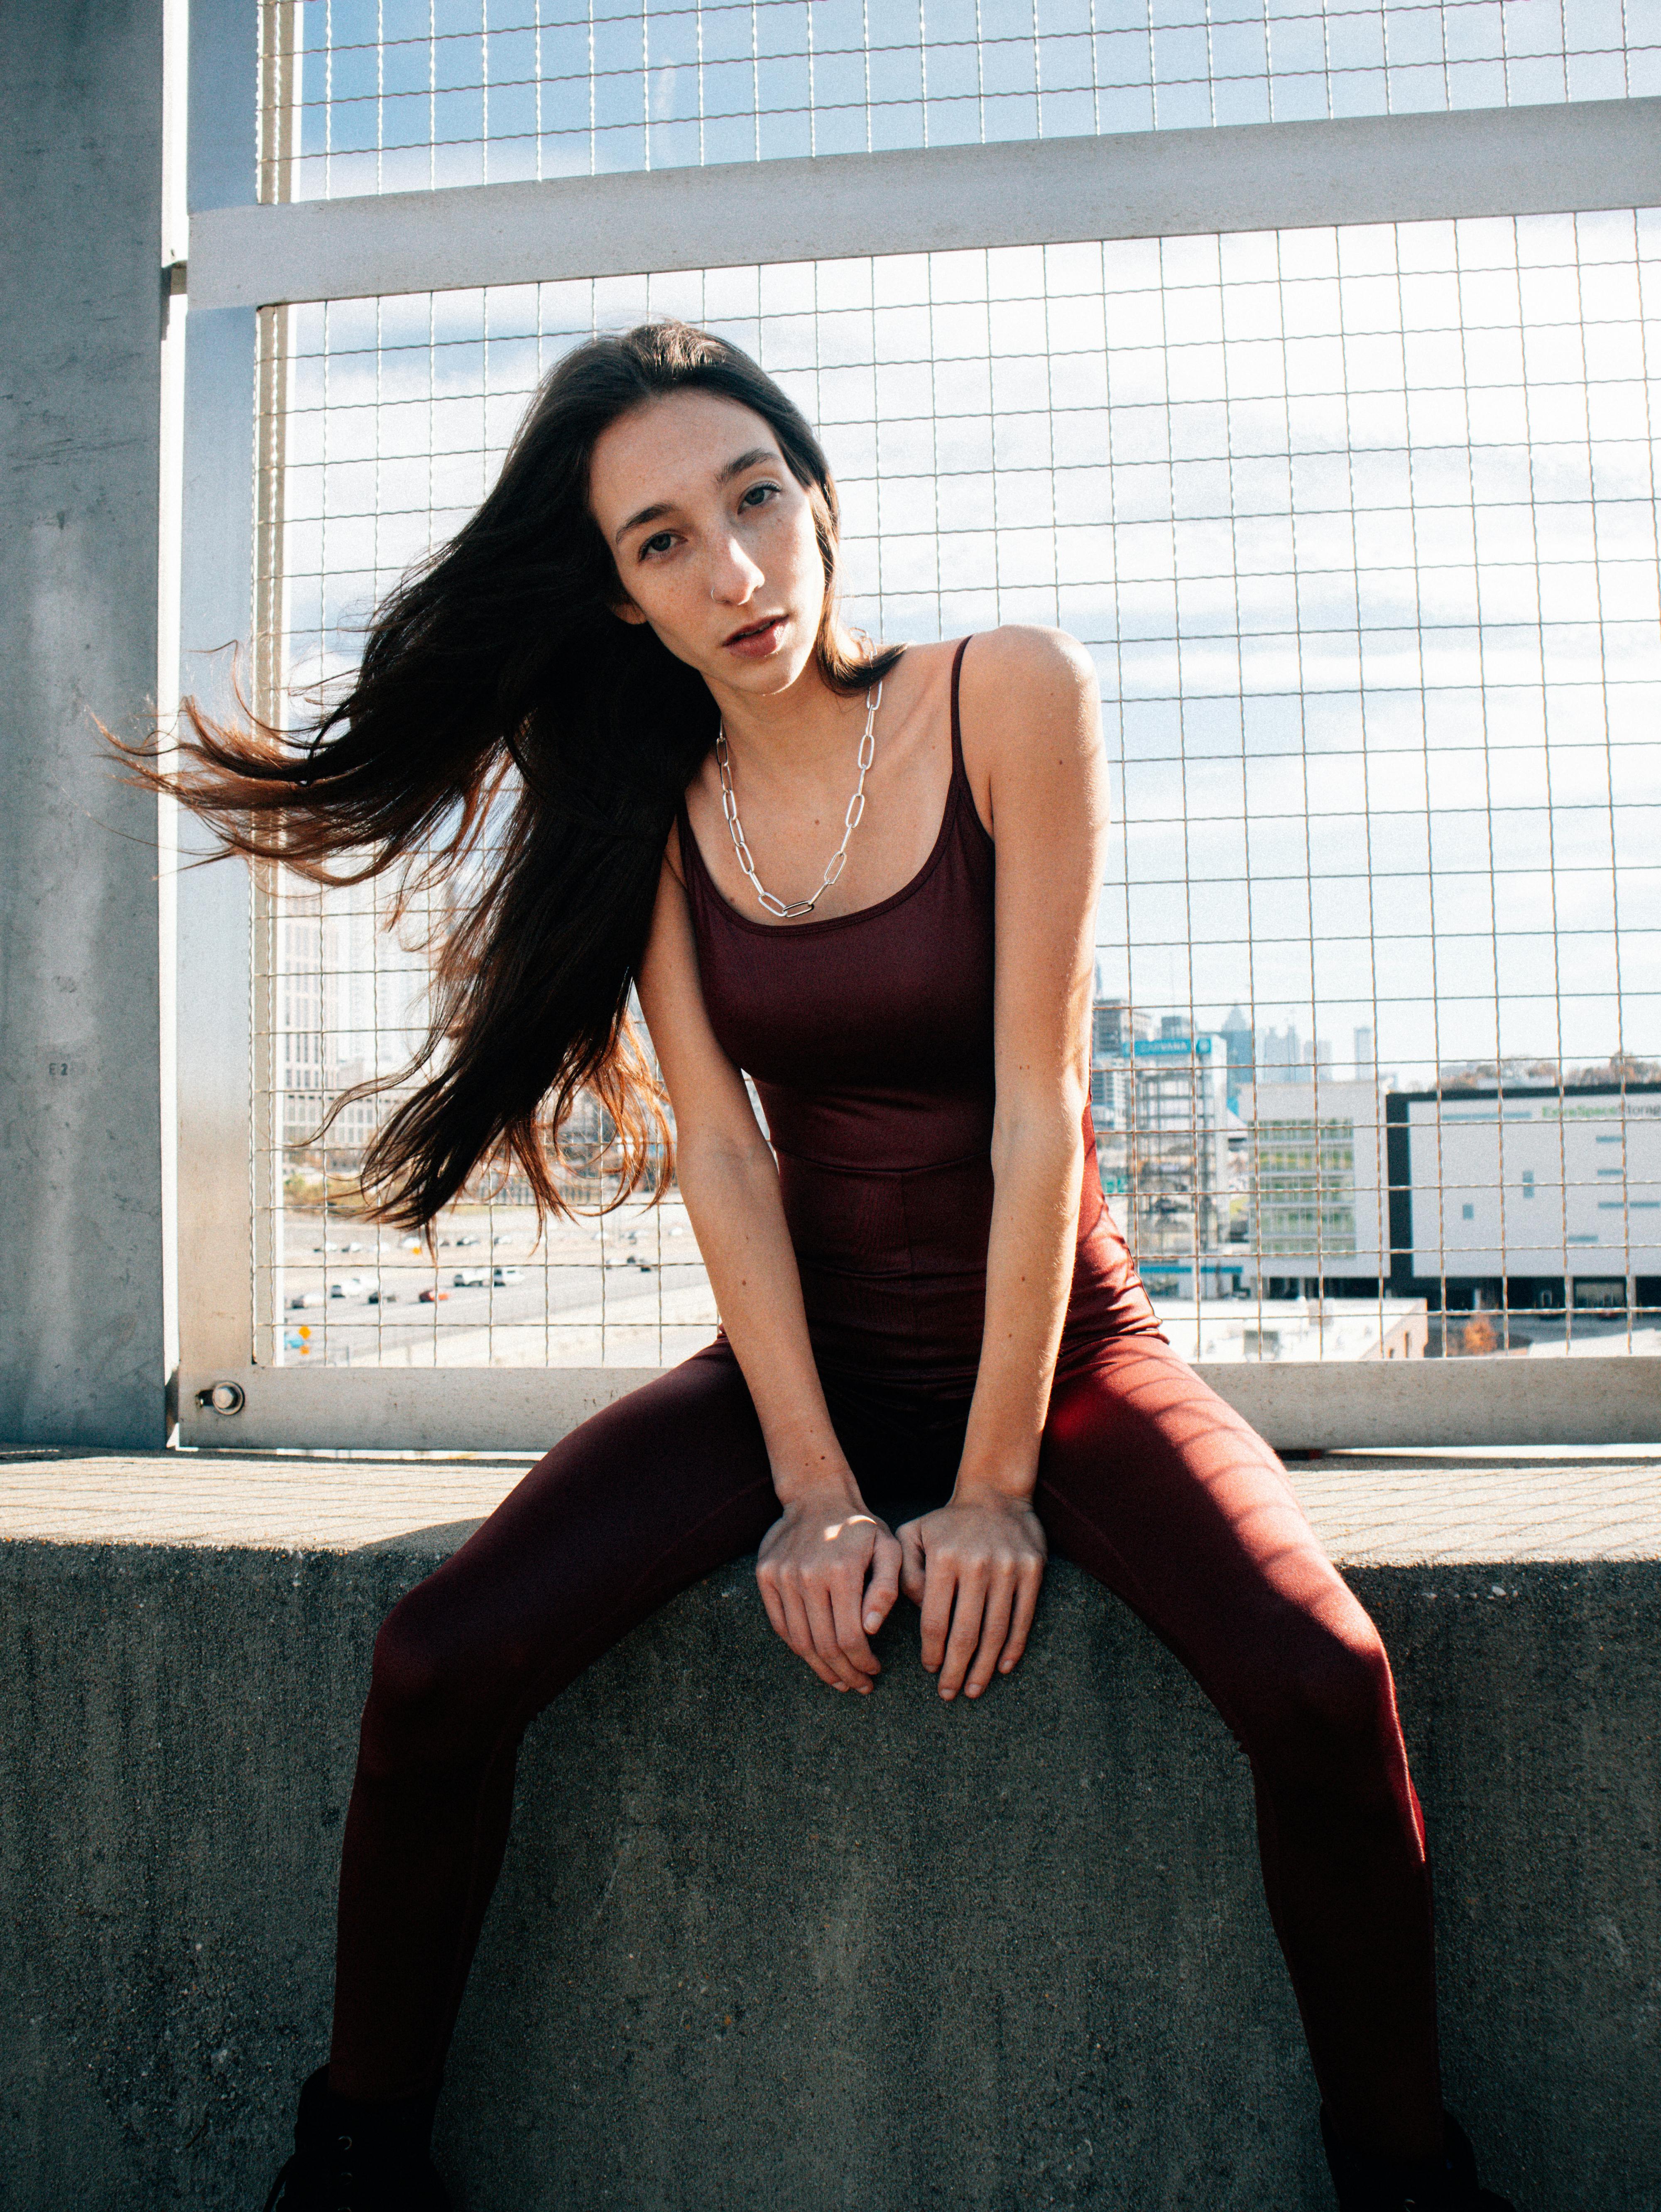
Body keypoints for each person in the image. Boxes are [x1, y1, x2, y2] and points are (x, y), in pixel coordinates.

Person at [146, 321, 1513, 2212]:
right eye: (660, 544)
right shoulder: (646, 815)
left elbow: (1041, 1113)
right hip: (805, 1367)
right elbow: (716, 1149)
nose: (734, 570)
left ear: (820, 497)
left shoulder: (1007, 694)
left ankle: (1406, 2183)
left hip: (1063, 1360)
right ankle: (354, 2166)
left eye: (755, 500)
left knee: (1317, 1680)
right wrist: (806, 1486)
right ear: (621, 602)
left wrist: (991, 1489)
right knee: (438, 1658)